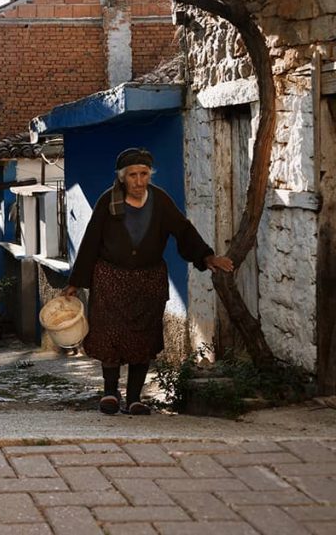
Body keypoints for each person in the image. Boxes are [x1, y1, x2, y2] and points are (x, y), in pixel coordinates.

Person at [62, 147, 234, 416]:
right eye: (133, 175)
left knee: (142, 338)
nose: (139, 181)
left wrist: (207, 256)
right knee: (110, 336)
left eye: (144, 174)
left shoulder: (160, 201)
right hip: (110, 278)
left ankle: (134, 398)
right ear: (122, 177)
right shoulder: (108, 202)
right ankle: (109, 393)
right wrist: (76, 281)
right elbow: (90, 241)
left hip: (148, 280)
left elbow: (183, 230)